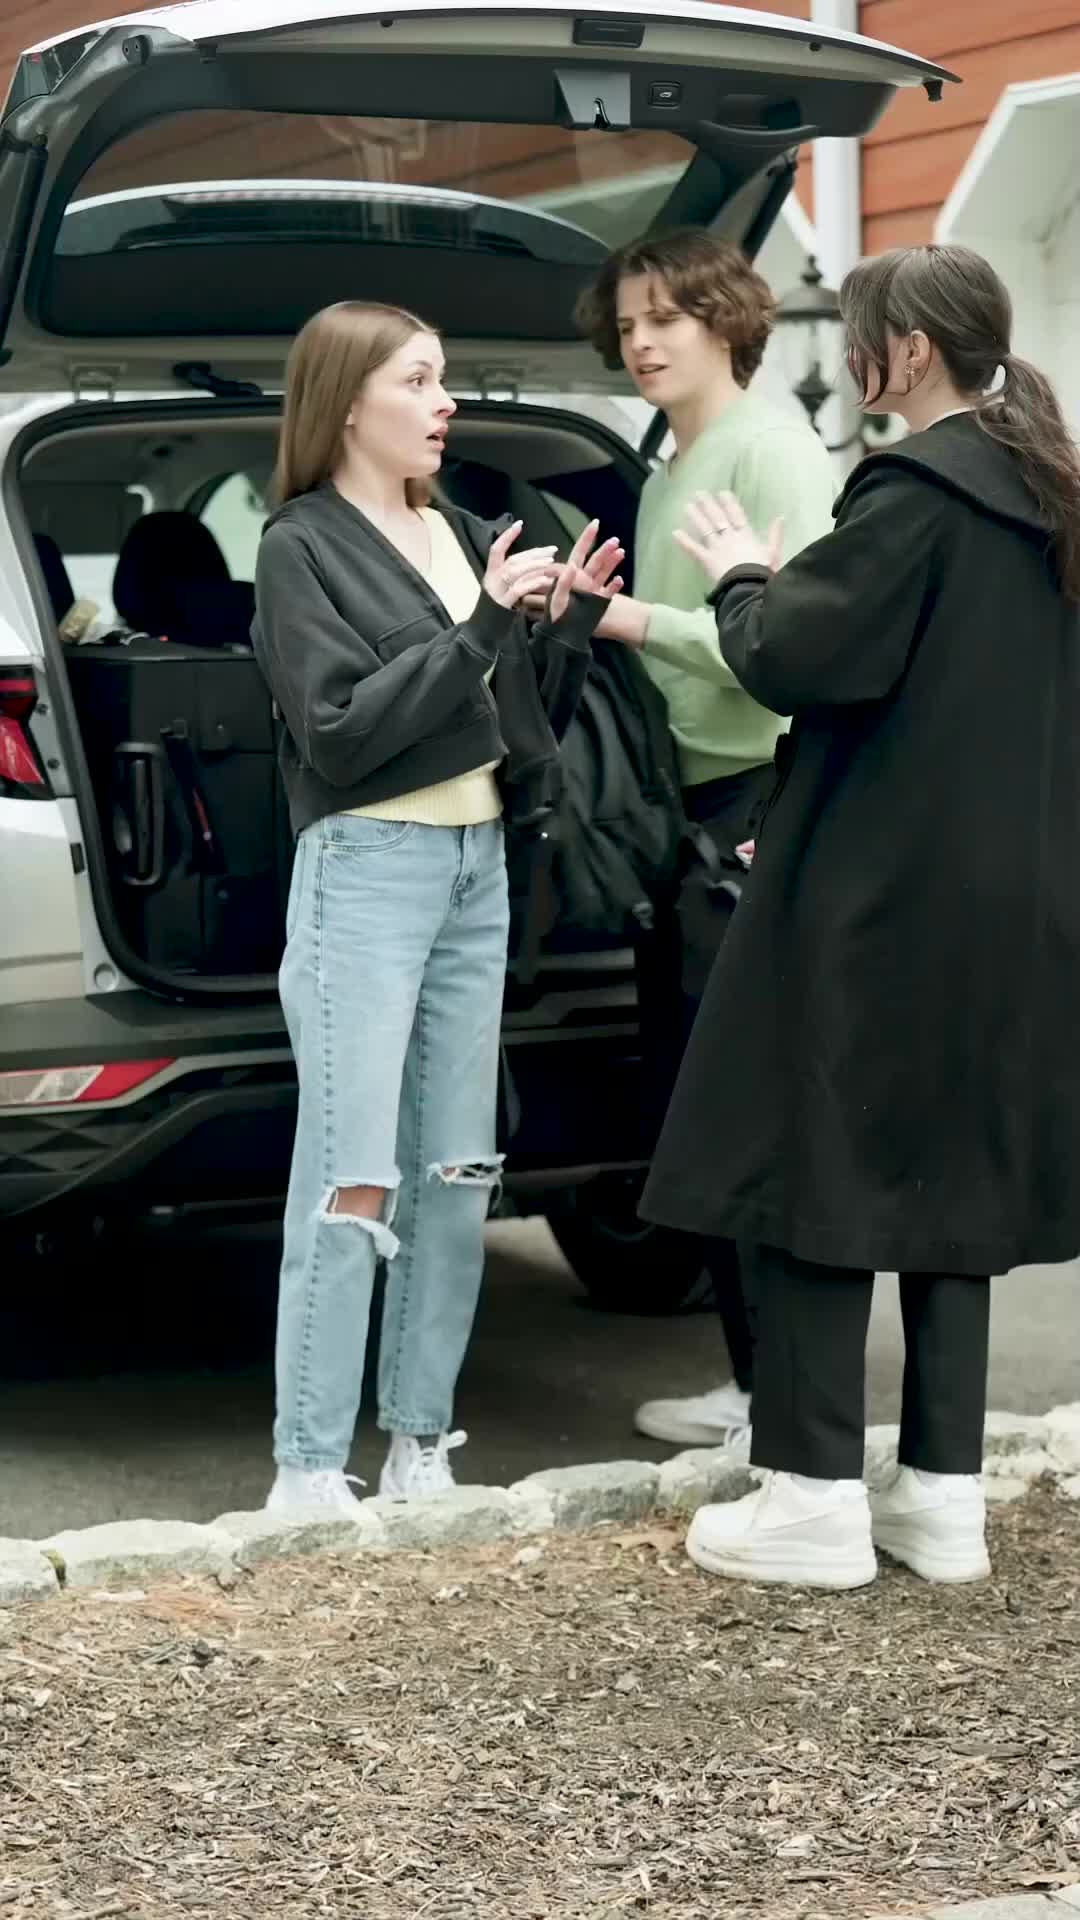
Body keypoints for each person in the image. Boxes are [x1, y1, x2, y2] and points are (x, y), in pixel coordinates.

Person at [640, 243, 1080, 1589]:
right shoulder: (1047, 494)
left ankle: (814, 1499)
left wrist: (742, 574)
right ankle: (941, 1495)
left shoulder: (914, 493)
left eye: (860, 337)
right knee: (954, 1179)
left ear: (913, 352)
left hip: (877, 897)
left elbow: (792, 657)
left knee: (808, 1162)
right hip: (1018, 898)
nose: (847, 360)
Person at [252, 300, 620, 1515]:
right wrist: (480, 624)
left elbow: (512, 721)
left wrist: (561, 622)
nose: (444, 400)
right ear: (347, 402)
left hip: (476, 865)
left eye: (444, 377)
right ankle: (311, 1467)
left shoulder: (459, 529)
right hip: (367, 865)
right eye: (417, 380)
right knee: (353, 1173)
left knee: (457, 1171)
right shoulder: (300, 546)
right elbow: (342, 733)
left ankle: (420, 1447)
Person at [574, 228, 836, 1446]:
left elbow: (794, 650)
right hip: (677, 815)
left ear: (728, 317)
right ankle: (753, 1386)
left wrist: (628, 620)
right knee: (701, 1102)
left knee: (750, 1108)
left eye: (665, 317)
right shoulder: (667, 463)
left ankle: (781, 1404)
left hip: (759, 809)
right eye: (628, 323)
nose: (641, 341)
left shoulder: (771, 451)